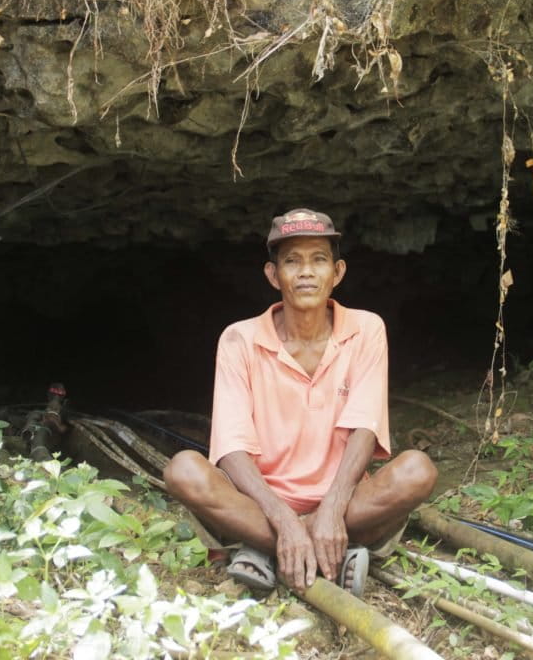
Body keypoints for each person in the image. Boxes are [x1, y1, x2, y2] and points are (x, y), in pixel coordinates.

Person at [164, 208, 437, 597]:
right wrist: (283, 520)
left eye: (318, 260)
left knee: (417, 471)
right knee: (183, 472)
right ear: (273, 276)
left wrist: (331, 509)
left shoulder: (366, 329)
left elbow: (364, 427)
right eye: (292, 261)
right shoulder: (239, 339)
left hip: (345, 505)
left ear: (337, 272)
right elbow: (232, 446)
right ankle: (314, 547)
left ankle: (267, 549)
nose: (306, 271)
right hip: (259, 506)